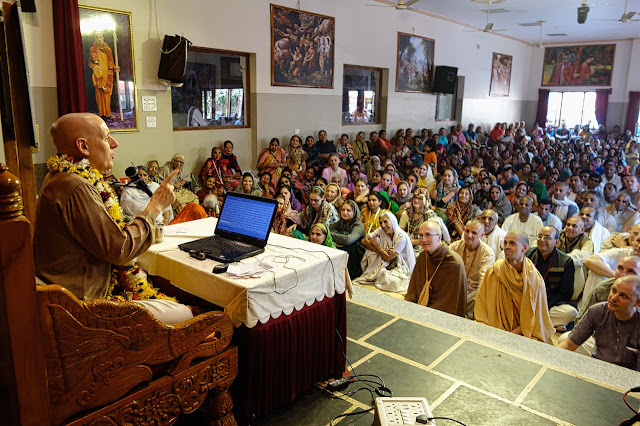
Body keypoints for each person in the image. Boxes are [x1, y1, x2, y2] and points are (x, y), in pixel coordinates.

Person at [34, 113, 191, 324]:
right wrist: (155, 206)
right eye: (106, 136)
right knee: (191, 313)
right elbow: (120, 249)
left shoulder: (60, 177)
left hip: (75, 297)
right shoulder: (76, 185)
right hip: (84, 309)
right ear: (83, 146)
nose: (114, 143)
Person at [474, 231, 555, 343]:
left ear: (525, 248)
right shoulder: (494, 271)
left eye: (512, 244)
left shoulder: (535, 280)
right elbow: (481, 307)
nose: (507, 247)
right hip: (493, 329)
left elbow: (534, 318)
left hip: (523, 333)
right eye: (505, 243)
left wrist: (508, 336)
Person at [559, 275, 640, 371]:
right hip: (595, 368)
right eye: (613, 290)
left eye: (622, 295)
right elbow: (569, 344)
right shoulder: (597, 311)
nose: (613, 298)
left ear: (637, 302)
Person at [405, 221, 467, 317]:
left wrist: (425, 314)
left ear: (439, 237)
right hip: (420, 309)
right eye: (420, 235)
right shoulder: (423, 256)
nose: (423, 239)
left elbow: (450, 303)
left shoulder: (454, 263)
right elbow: (413, 288)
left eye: (428, 235)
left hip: (440, 315)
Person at [525, 226, 577, 330]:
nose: (542, 240)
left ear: (556, 242)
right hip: (527, 299)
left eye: (547, 237)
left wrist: (544, 304)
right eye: (540, 236)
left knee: (571, 313)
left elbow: (566, 293)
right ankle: (547, 323)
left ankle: (533, 321)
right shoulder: (528, 254)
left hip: (550, 304)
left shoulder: (566, 261)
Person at [355, 211, 415, 293]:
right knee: (371, 252)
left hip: (401, 267)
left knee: (393, 281)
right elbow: (364, 240)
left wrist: (376, 245)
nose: (383, 225)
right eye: (381, 223)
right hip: (387, 264)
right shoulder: (381, 230)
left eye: (386, 221)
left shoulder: (401, 236)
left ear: (392, 221)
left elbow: (388, 257)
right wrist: (381, 251)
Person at [449, 219, 495, 318]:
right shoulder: (454, 247)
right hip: (454, 289)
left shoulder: (487, 253)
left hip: (473, 293)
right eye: (467, 231)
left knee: (479, 298)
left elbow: (483, 282)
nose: (469, 235)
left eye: (474, 233)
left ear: (482, 235)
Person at [330, 200, 366, 279]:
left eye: (348, 210)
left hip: (356, 256)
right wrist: (341, 237)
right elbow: (326, 231)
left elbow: (348, 240)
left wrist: (339, 236)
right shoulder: (341, 222)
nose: (344, 212)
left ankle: (349, 273)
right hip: (346, 252)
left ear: (354, 212)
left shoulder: (358, 225)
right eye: (343, 210)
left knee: (349, 241)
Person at [87, 33, 118, 120]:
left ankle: (108, 113)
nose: (99, 39)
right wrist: (94, 66)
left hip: (107, 75)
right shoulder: (92, 50)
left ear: (103, 38)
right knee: (99, 94)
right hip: (98, 75)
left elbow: (111, 62)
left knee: (107, 93)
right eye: (97, 37)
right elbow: (90, 62)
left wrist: (115, 68)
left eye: (101, 37)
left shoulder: (108, 49)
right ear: (95, 39)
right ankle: (101, 113)